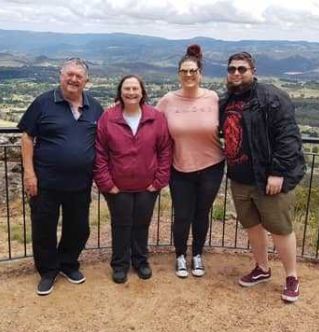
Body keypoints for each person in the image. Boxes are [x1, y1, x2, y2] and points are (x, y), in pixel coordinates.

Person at [219, 52, 306, 302]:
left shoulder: (271, 97)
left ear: (253, 70)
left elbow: (288, 137)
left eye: (242, 69)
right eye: (232, 68)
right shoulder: (227, 101)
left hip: (266, 178)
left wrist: (277, 172)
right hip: (239, 178)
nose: (236, 73)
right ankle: (262, 268)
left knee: (280, 228)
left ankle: (291, 277)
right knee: (252, 227)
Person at [18, 58, 103, 295]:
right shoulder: (43, 102)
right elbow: (27, 137)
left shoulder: (95, 107)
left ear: (86, 81)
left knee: (78, 227)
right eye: (70, 74)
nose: (74, 79)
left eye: (79, 76)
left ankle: (68, 263)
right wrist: (29, 173)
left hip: (80, 183)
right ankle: (48, 271)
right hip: (45, 182)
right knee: (44, 227)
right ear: (61, 75)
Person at [94, 75, 172, 284]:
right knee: (121, 225)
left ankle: (140, 261)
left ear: (142, 92)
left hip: (148, 185)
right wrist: (107, 183)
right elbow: (100, 153)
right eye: (127, 89)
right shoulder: (108, 118)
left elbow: (165, 150)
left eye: (135, 89)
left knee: (141, 225)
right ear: (120, 92)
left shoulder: (156, 117)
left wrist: (159, 181)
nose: (131, 92)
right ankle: (120, 264)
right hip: (117, 186)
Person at [156, 45, 225, 278]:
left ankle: (197, 254)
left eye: (192, 71)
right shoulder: (168, 100)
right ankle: (179, 256)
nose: (188, 75)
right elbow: (150, 124)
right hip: (180, 167)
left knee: (202, 213)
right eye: (184, 71)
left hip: (212, 166)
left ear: (200, 73)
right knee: (183, 214)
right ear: (178, 74)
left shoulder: (213, 98)